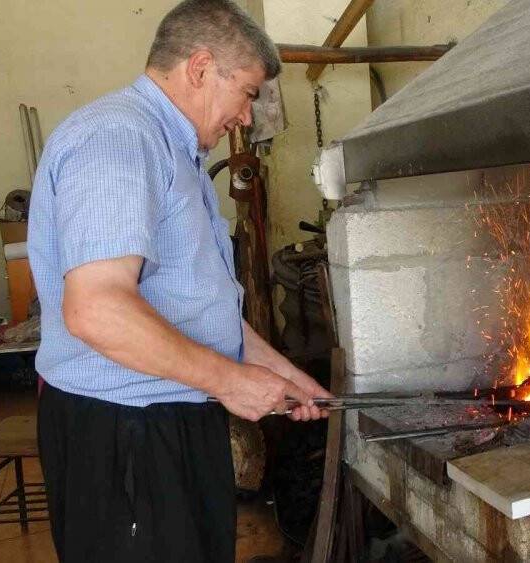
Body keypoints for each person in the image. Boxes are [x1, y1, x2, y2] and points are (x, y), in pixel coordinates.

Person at [26, 1, 331, 561]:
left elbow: (196, 305)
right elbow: (96, 309)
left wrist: (280, 373)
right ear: (200, 68)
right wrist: (230, 381)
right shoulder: (119, 139)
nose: (246, 117)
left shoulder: (171, 147)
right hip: (126, 432)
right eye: (246, 93)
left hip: (171, 417)